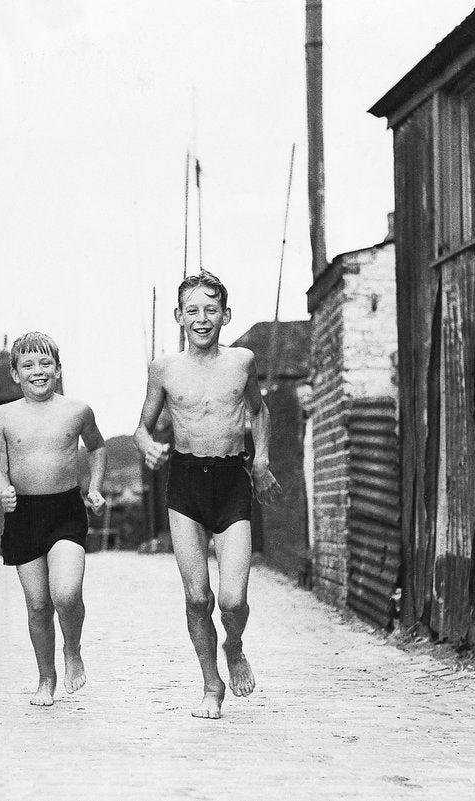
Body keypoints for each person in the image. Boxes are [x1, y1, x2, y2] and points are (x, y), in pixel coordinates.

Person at [134, 270, 281, 720]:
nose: (202, 319)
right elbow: (141, 425)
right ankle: (210, 683)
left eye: (211, 310)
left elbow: (260, 412)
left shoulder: (242, 362)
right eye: (192, 311)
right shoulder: (164, 369)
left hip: (232, 481)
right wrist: (145, 445)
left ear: (226, 315)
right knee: (198, 597)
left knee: (233, 600)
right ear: (179, 317)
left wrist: (260, 461)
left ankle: (233, 646)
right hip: (185, 484)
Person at [0, 332, 107, 707]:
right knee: (38, 604)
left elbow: (98, 446)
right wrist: (2, 488)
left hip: (65, 512)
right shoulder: (3, 416)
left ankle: (72, 649)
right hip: (23, 515)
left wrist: (96, 487)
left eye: (45, 364)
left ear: (58, 369)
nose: (37, 371)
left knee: (66, 592)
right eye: (28, 365)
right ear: (15, 373)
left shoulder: (76, 411)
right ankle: (46, 676)